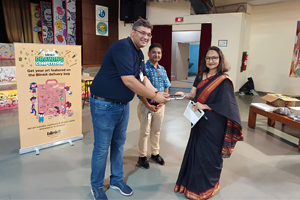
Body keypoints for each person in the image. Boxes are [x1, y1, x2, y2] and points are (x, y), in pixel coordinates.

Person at [89, 18, 170, 200]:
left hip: (121, 106)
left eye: (149, 34)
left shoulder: (139, 54)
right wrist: (154, 96)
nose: (145, 37)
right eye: (142, 33)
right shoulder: (122, 48)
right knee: (102, 148)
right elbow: (129, 80)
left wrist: (157, 93)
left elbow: (141, 78)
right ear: (133, 32)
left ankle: (117, 180)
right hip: (104, 105)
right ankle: (96, 186)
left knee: (118, 145)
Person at [174, 46, 243, 200]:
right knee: (196, 152)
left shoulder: (223, 80)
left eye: (214, 58)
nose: (211, 61)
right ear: (204, 60)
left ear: (220, 60)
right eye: (208, 58)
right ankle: (192, 185)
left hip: (215, 123)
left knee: (210, 155)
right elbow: (193, 94)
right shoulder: (200, 76)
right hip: (198, 121)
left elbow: (227, 105)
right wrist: (183, 95)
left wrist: (205, 106)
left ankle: (208, 186)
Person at [137, 43, 171, 169]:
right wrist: (147, 104)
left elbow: (166, 86)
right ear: (148, 54)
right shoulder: (143, 69)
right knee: (144, 132)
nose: (157, 55)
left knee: (156, 131)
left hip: (160, 106)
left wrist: (163, 102)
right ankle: (142, 156)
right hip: (146, 105)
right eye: (154, 52)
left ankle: (155, 153)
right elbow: (140, 89)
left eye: (159, 53)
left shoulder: (162, 69)